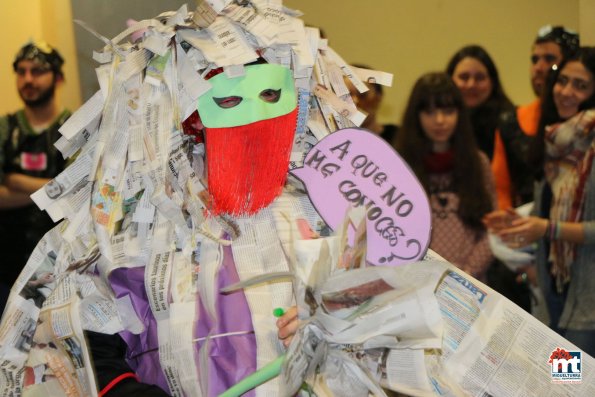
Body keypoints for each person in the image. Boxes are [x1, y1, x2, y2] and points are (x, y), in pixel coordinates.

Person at [484, 47, 595, 356]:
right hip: (553, 297)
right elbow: (545, 211)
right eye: (563, 81)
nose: (566, 92)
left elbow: (559, 225)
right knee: (558, 385)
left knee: (574, 386)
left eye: (581, 85)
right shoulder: (554, 144)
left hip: (588, 307)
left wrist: (546, 228)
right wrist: (515, 222)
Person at [394, 72, 495, 282]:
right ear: (416, 116)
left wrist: (465, 273)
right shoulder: (400, 165)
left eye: (448, 111)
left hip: (470, 283)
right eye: (430, 112)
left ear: (460, 114)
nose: (439, 120)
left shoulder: (478, 163)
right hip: (415, 282)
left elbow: (492, 227)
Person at [0, 42, 70, 313]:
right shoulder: (6, 129)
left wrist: (15, 181)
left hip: (57, 268)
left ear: (58, 78)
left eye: (38, 71)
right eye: (22, 71)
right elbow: (64, 189)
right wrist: (53, 186)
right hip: (5, 267)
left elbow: (76, 195)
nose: (28, 79)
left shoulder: (72, 128)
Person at [446, 45, 515, 210]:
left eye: (480, 78)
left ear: (492, 82)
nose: (471, 85)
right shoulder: (439, 126)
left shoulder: (510, 124)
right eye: (464, 77)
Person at [345, 63, 399, 142]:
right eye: (346, 96)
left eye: (362, 94)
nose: (354, 101)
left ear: (378, 98)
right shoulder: (330, 141)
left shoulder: (399, 138)